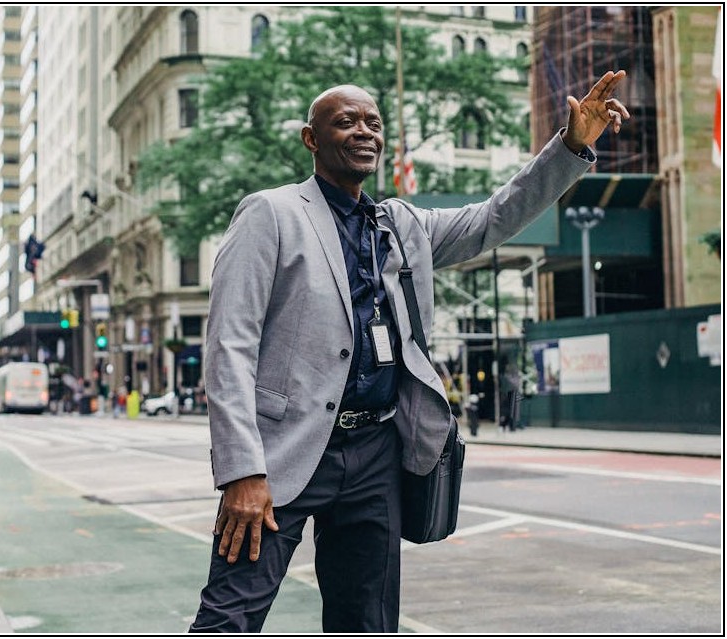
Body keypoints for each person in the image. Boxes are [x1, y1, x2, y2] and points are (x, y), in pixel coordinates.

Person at [191, 72, 630, 633]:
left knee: (367, 621)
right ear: (311, 139)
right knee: (231, 614)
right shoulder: (270, 213)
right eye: (345, 122)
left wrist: (570, 146)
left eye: (372, 122)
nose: (363, 132)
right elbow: (229, 346)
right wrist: (241, 472)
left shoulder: (400, 225)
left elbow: (495, 217)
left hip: (376, 450)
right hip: (283, 451)